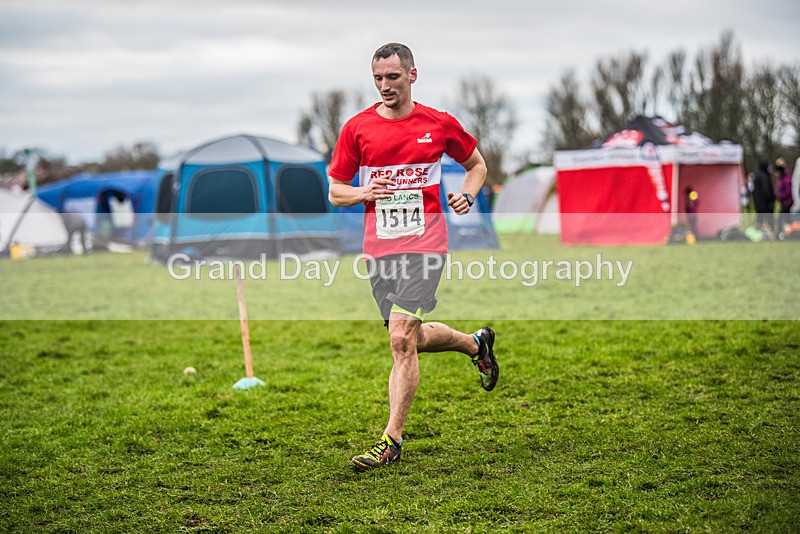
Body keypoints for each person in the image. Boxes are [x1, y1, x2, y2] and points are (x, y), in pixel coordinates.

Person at [327, 43, 499, 471]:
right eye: (378, 79)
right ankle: (475, 344)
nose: (385, 86)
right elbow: (334, 190)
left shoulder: (437, 124)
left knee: (401, 338)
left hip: (427, 244)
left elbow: (477, 164)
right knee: (411, 338)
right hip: (380, 249)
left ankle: (392, 439)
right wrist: (363, 191)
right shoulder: (358, 128)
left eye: (393, 77)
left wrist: (468, 195)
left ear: (412, 75)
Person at [752, 159, 775, 233]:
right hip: (765, 204)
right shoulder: (763, 177)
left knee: (759, 219)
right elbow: (765, 191)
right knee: (768, 220)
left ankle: (758, 234)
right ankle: (769, 234)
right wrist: (771, 199)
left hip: (759, 204)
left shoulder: (757, 175)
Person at [774, 157, 793, 237]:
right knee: (787, 220)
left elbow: (788, 192)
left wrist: (779, 195)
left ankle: (781, 233)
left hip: (787, 202)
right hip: (783, 202)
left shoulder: (786, 179)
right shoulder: (780, 179)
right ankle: (789, 233)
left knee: (781, 218)